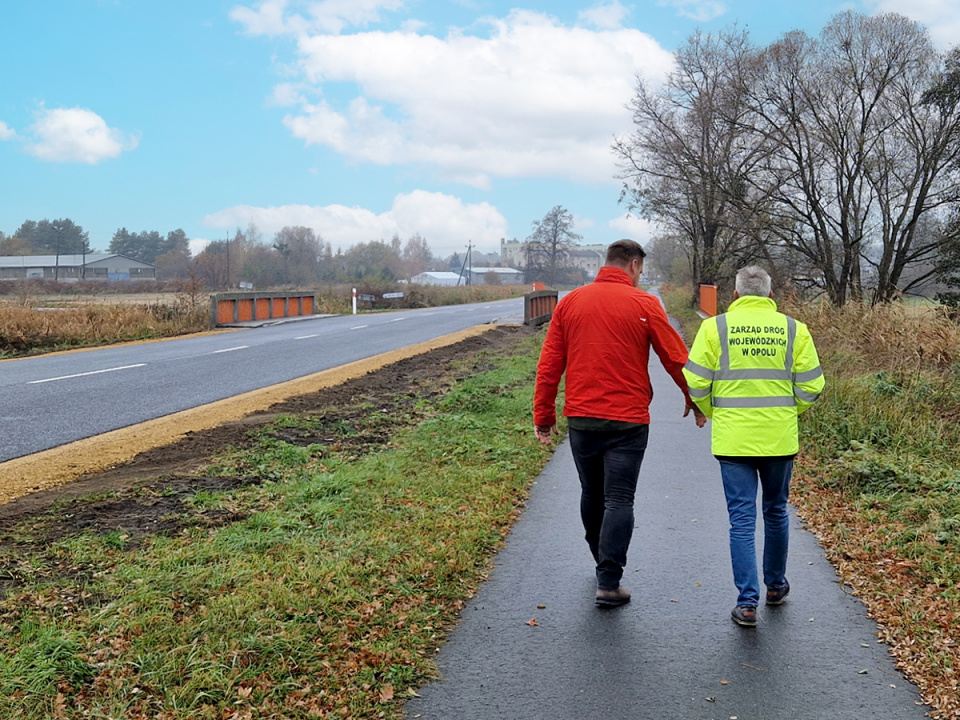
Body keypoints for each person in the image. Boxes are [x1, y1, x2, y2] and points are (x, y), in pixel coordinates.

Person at [534, 239, 706, 608]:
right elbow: (676, 358)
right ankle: (608, 581)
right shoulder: (644, 304)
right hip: (628, 422)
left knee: (592, 493)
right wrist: (695, 401)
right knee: (619, 497)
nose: (640, 276)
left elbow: (549, 366)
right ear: (633, 264)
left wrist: (544, 417)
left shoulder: (570, 304)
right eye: (640, 269)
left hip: (582, 419)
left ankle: (601, 561)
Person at [683, 266, 824, 627]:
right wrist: (788, 412)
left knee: (742, 520)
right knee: (776, 512)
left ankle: (747, 604)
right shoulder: (795, 330)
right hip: (778, 439)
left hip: (733, 440)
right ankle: (775, 586)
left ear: (735, 295)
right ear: (770, 297)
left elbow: (695, 382)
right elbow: (811, 386)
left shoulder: (714, 328)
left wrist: (717, 412)